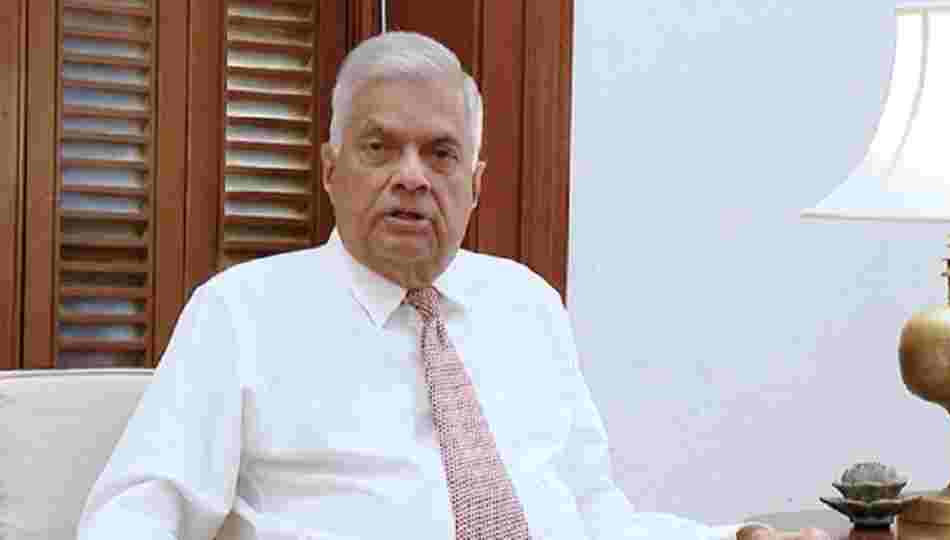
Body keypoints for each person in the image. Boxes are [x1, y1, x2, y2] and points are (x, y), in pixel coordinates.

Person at [77, 32, 824, 540]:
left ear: (476, 183)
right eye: (380, 148)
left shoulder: (528, 305)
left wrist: (734, 537)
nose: (412, 177)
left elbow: (593, 514)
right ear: (331, 170)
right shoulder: (242, 313)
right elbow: (138, 512)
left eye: (440, 153)